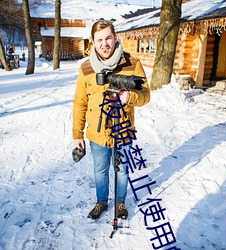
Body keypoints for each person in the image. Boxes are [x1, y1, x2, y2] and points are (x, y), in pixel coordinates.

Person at [72, 20, 150, 220]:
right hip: (97, 133)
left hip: (123, 129)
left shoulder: (132, 63)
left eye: (108, 38)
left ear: (115, 38)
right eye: (99, 40)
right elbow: (80, 102)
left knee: (122, 169)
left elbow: (146, 95)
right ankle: (101, 202)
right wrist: (77, 134)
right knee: (100, 170)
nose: (104, 43)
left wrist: (130, 97)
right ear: (93, 42)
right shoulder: (86, 68)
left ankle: (121, 202)